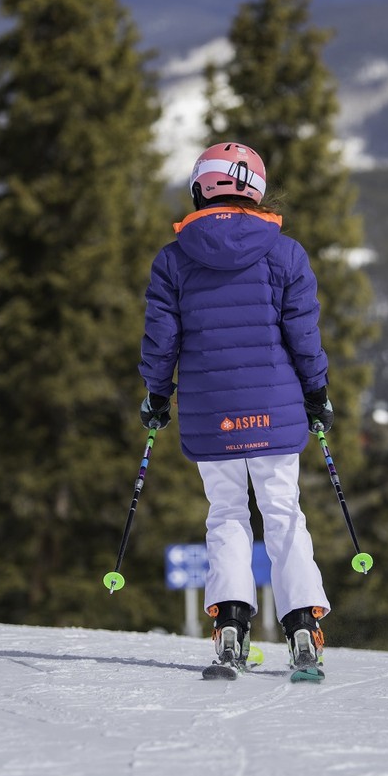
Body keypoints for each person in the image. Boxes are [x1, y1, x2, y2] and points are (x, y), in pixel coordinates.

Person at [138, 141, 335, 678]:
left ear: (202, 187)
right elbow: (304, 336)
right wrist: (317, 393)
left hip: (211, 411)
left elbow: (162, 340)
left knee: (226, 514)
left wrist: (157, 395)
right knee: (283, 512)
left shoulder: (173, 258)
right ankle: (301, 629)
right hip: (276, 408)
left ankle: (230, 627)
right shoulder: (285, 253)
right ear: (256, 190)